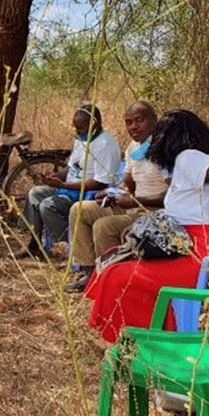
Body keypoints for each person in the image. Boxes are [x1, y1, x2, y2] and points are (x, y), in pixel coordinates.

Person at [85, 109, 209, 343]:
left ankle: (139, 341)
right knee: (114, 259)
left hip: (206, 257)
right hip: (194, 249)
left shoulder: (187, 156)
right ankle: (153, 334)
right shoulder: (185, 163)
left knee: (121, 275)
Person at [65, 101, 168, 291]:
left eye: (139, 120)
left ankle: (113, 283)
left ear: (154, 120)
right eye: (129, 122)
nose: (134, 127)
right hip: (134, 206)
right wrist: (112, 193)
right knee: (80, 209)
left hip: (156, 213)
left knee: (105, 226)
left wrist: (134, 200)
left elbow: (173, 196)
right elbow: (128, 184)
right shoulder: (132, 148)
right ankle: (90, 273)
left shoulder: (164, 148)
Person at [14, 105, 121, 259]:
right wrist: (55, 176)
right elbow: (71, 168)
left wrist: (63, 185)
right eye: (75, 128)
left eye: (81, 128)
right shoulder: (81, 139)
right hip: (69, 189)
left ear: (94, 125)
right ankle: (34, 245)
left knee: (48, 205)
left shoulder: (105, 145)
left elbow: (100, 183)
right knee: (35, 193)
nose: (77, 132)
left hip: (86, 193)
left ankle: (71, 246)